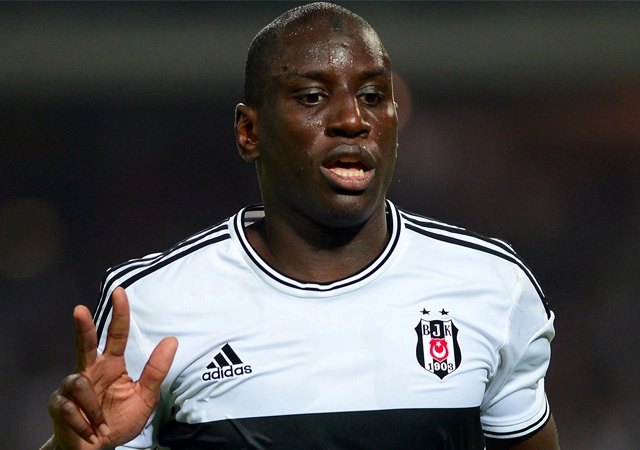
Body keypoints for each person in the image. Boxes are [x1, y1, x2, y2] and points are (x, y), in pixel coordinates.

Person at [42, 2, 559, 449]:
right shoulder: (151, 307)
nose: (352, 120)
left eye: (373, 96)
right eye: (312, 97)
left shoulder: (493, 287)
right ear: (250, 132)